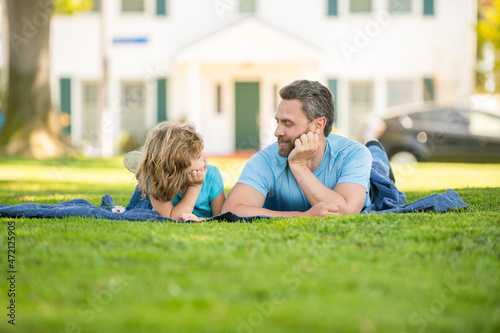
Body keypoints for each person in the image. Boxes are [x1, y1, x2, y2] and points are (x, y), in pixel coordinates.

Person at [222, 79, 374, 217]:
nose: (277, 132)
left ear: (318, 125)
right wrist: (303, 215)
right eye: (278, 122)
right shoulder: (266, 160)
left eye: (288, 123)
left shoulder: (354, 154)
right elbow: (232, 210)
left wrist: (299, 166)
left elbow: (346, 211)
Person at [126, 121, 225, 221]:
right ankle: (145, 171)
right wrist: (195, 186)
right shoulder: (154, 180)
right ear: (179, 165)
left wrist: (200, 219)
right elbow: (171, 218)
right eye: (198, 156)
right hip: (158, 186)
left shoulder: (212, 175)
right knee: (146, 186)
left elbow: (222, 217)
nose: (206, 157)